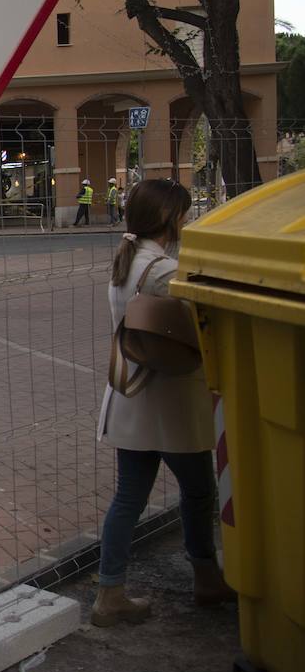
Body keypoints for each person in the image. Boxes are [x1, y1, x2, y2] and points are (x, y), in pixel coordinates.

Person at [92, 179, 233, 627]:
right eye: (183, 214)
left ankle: (109, 592)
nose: (186, 220)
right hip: (169, 399)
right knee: (198, 491)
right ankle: (206, 576)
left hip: (130, 398)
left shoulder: (127, 261)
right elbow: (202, 320)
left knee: (129, 497)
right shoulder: (161, 271)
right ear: (169, 218)